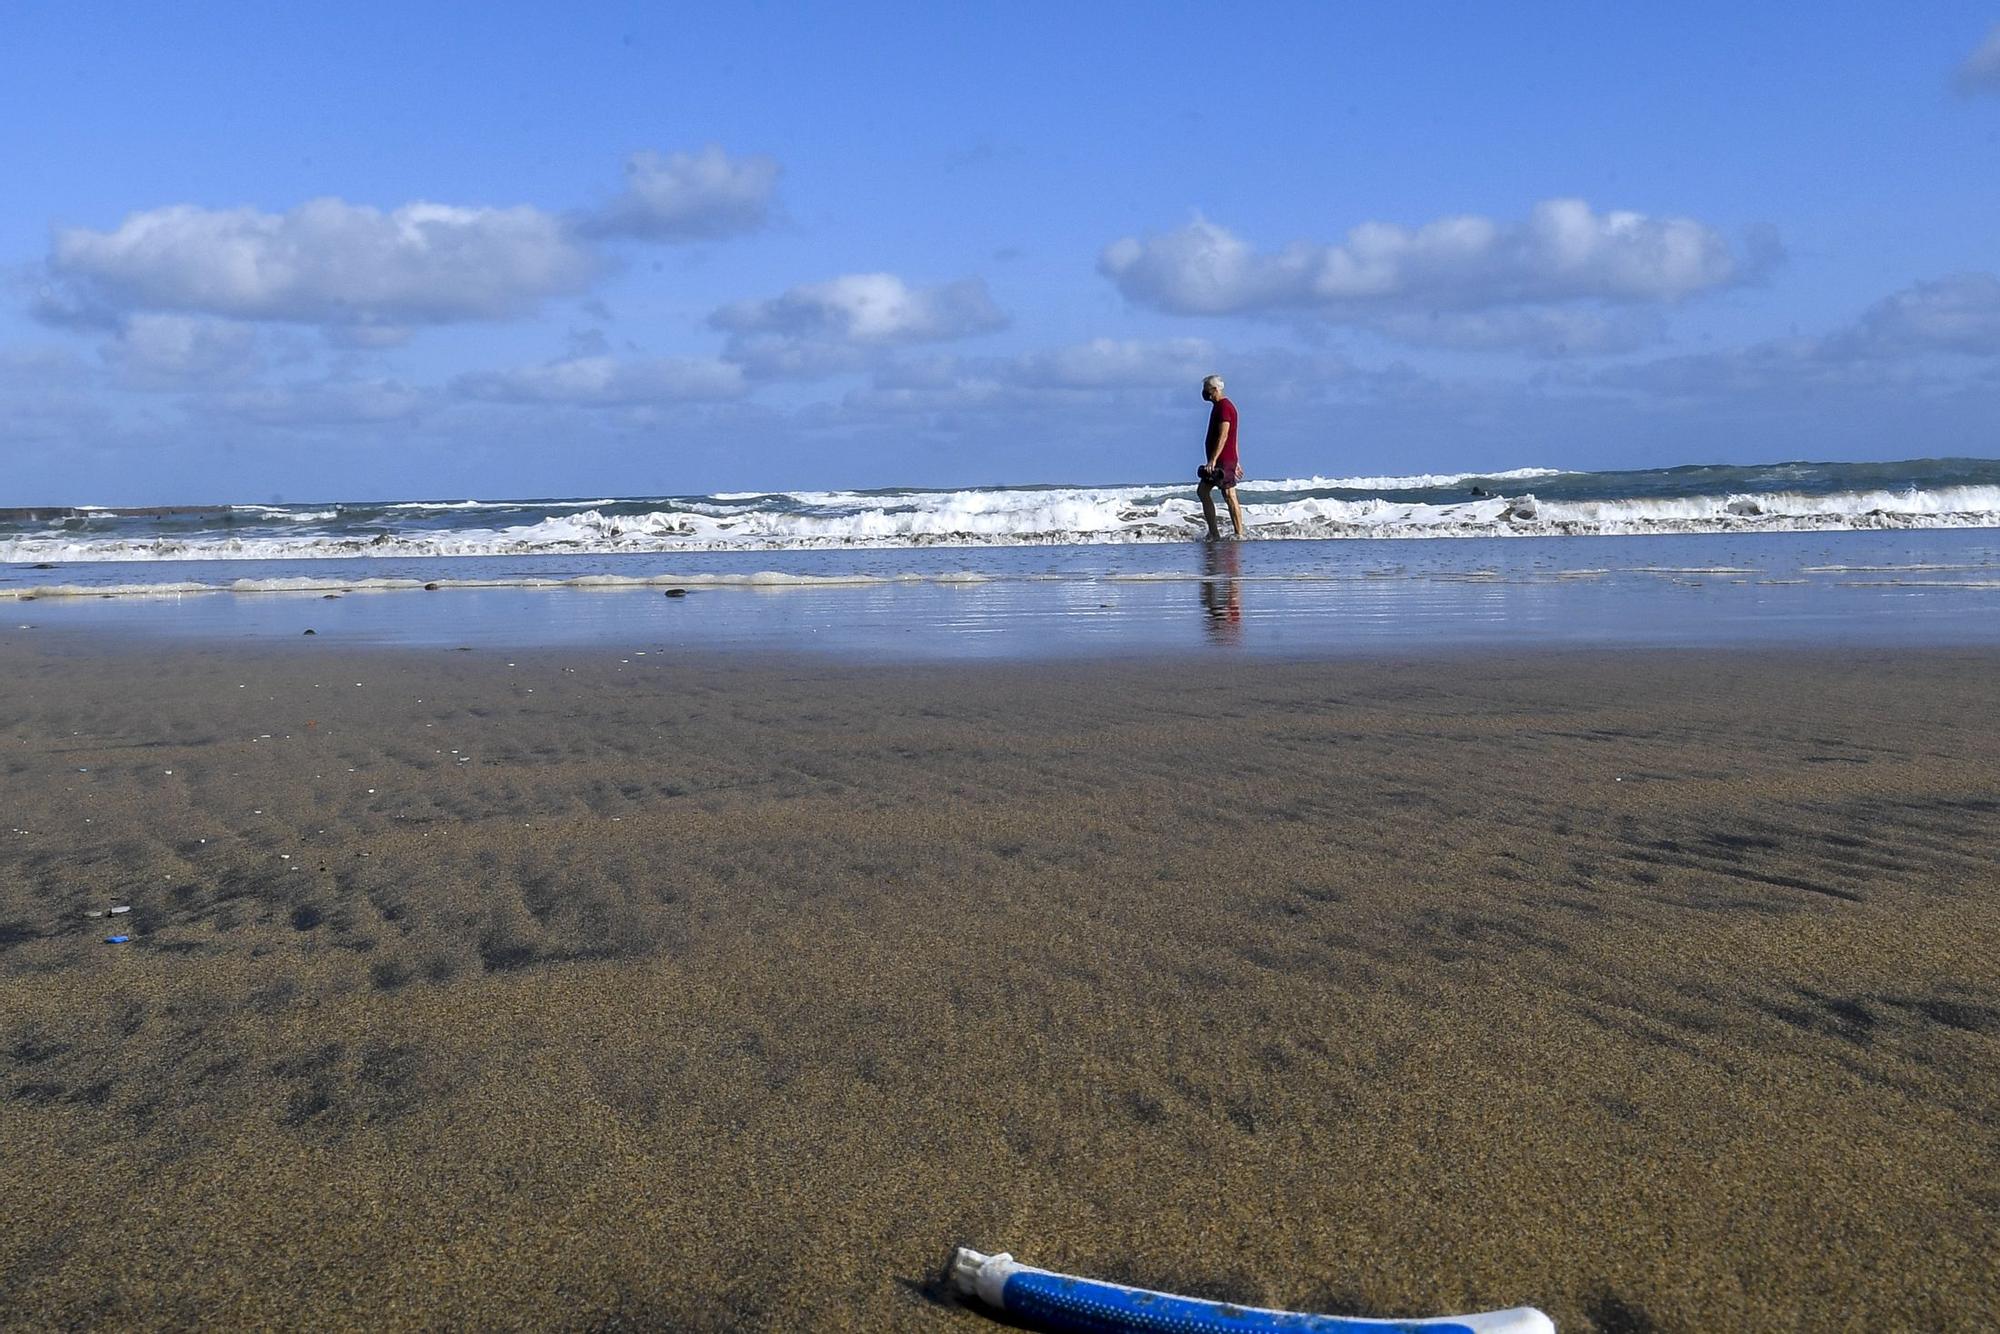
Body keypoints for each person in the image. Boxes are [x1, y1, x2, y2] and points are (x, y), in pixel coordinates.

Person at [1195, 374, 1244, 540]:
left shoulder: (1224, 407)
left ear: (1215, 389)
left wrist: (1214, 460)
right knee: (1202, 491)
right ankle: (1214, 533)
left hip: (1223, 460)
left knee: (1229, 495)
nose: (1204, 394)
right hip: (1222, 460)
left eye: (1206, 390)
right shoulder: (1217, 407)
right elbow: (1233, 437)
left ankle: (1239, 534)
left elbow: (1225, 435)